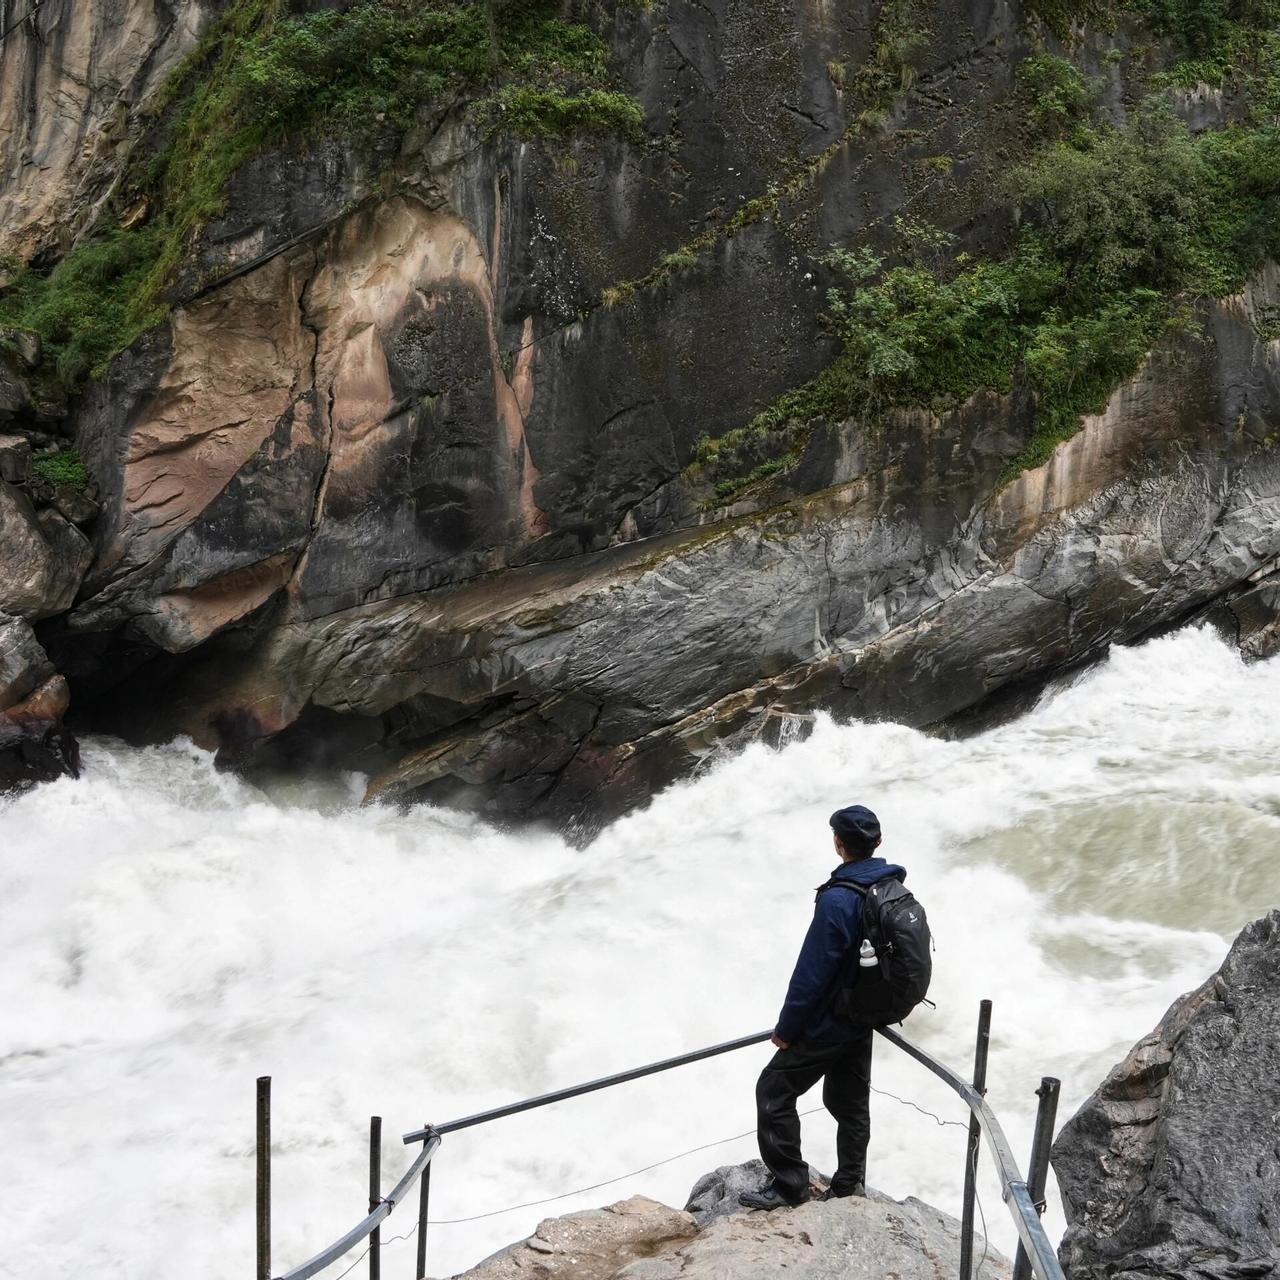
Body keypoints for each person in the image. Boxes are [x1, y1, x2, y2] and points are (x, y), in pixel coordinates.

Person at [739, 804, 907, 1210]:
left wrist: (787, 1029)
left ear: (838, 843)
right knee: (849, 1103)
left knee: (773, 1090)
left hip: (831, 1020)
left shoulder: (838, 899)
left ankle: (789, 1185)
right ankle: (850, 1184)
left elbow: (811, 973)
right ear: (878, 843)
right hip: (863, 1015)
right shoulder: (891, 887)